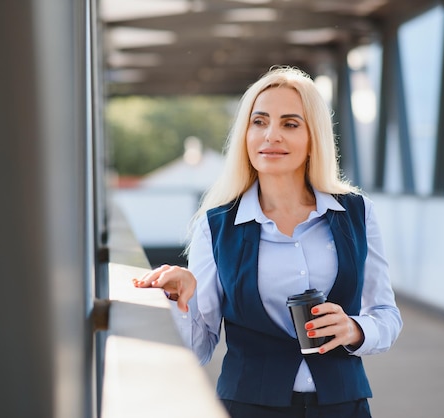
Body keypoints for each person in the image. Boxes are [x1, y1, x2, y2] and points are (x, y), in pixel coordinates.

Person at [133, 66, 402, 418]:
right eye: (259, 122)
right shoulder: (216, 226)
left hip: (343, 406)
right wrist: (179, 299)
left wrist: (355, 329)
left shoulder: (356, 212)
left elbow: (386, 315)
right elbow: (199, 346)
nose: (271, 135)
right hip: (249, 407)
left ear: (312, 139)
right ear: (245, 134)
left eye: (290, 124)